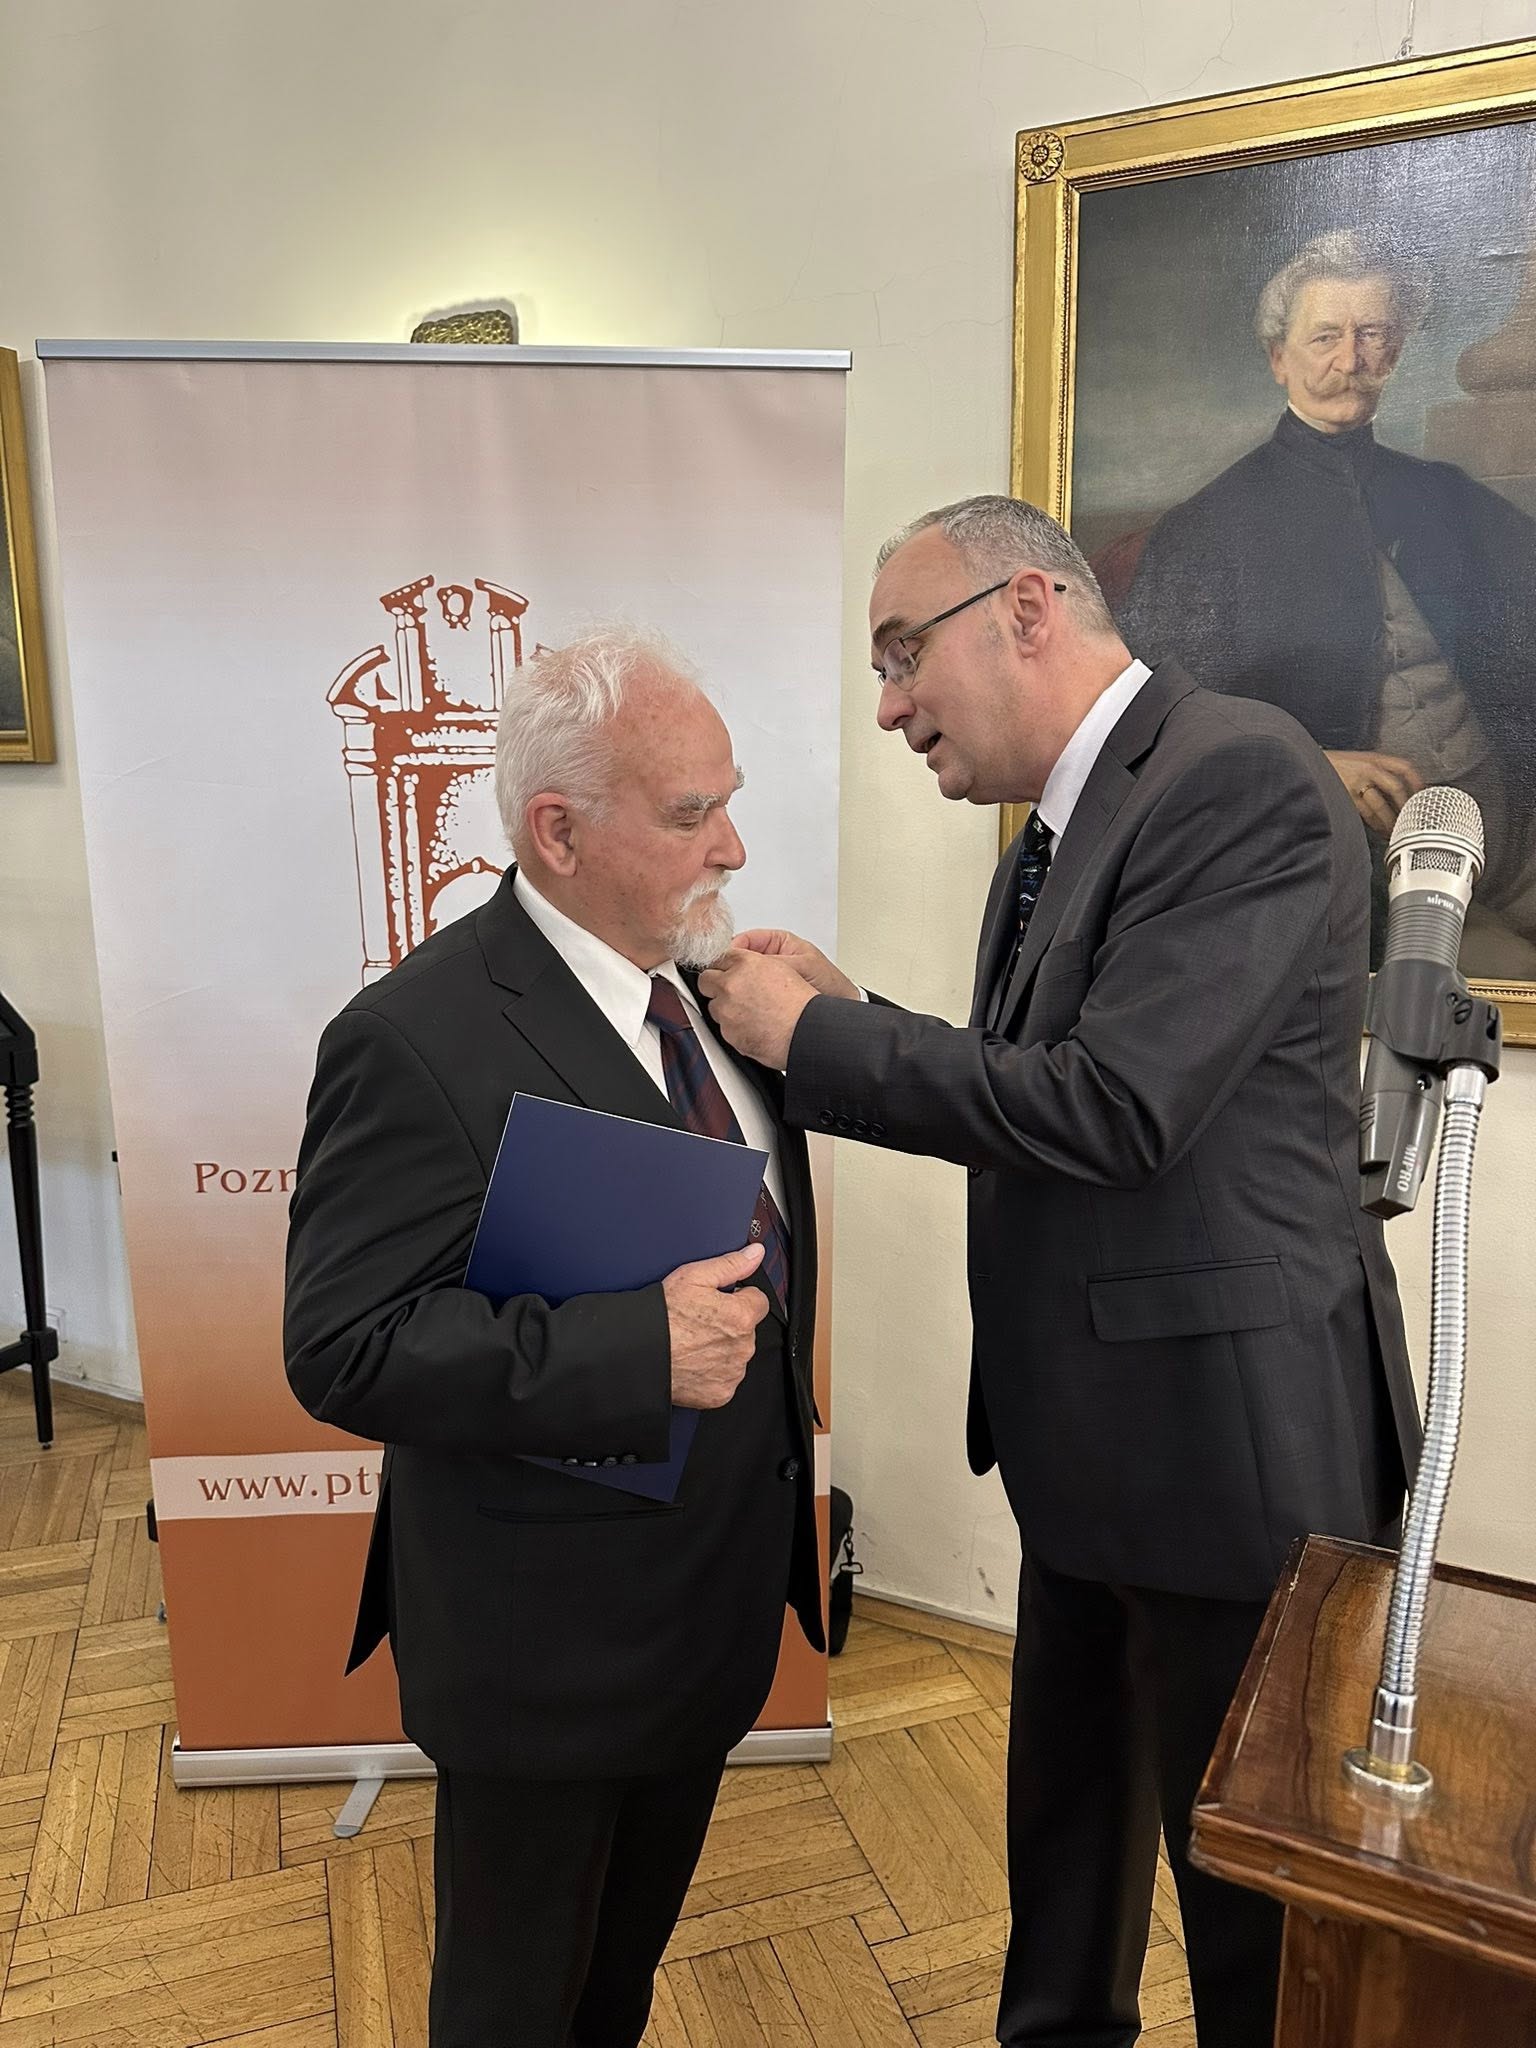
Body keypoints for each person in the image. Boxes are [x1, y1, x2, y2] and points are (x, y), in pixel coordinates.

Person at [699, 495, 1417, 2048]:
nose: (888, 705)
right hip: (1096, 1443)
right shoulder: (1057, 831)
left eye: (904, 652)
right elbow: (1044, 1084)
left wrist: (818, 1042)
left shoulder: (1236, 777)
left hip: (1226, 1462)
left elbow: (1119, 1110)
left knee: (1248, 1914)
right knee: (1068, 1852)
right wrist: (855, 1016)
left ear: (1027, 608)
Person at [284, 628, 824, 2048]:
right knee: (514, 2010)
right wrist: (636, 1352)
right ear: (559, 832)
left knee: (614, 1991)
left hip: (700, 1621)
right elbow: (344, 1343)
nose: (734, 847)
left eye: (728, 801)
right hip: (544, 1656)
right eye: (692, 814)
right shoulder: (414, 1038)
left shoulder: (715, 991)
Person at [1105, 228, 1536, 975]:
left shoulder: (1448, 498)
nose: (1350, 360)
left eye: (1373, 334)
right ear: (1279, 358)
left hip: (1514, 829)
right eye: (1326, 337)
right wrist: (1311, 762)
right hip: (1357, 866)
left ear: (1396, 350)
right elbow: (1149, 727)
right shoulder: (1204, 531)